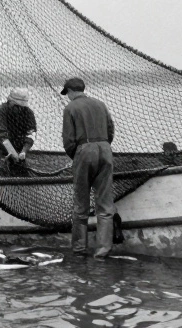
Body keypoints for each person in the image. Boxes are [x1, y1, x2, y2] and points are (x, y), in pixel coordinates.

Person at [61, 76, 115, 257]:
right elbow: (110, 130)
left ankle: (79, 248)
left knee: (81, 204)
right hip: (105, 149)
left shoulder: (70, 108)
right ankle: (103, 250)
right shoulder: (101, 104)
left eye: (67, 93)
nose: (68, 96)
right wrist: (103, 147)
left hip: (84, 151)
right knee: (105, 205)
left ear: (70, 91)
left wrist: (77, 156)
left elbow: (68, 140)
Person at [0, 88, 37, 175]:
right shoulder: (2, 110)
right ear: (10, 101)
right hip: (1, 147)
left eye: (21, 107)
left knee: (21, 172)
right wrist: (12, 152)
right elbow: (1, 134)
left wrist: (24, 151)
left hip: (19, 147)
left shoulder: (28, 113)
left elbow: (31, 133)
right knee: (0, 171)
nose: (19, 109)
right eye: (16, 106)